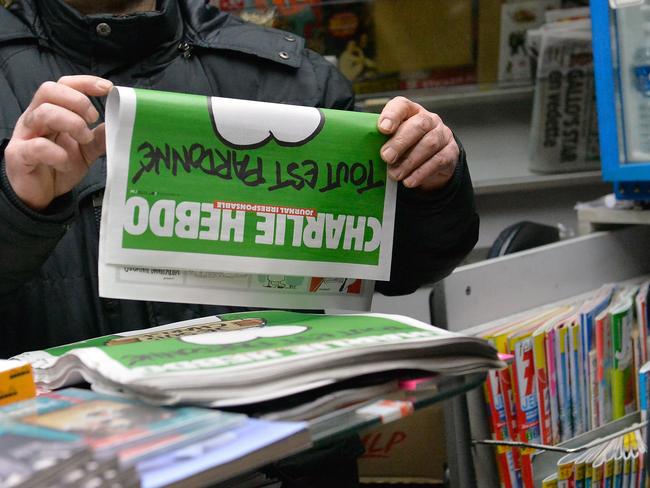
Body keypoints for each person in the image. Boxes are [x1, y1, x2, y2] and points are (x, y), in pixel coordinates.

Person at [0, 0, 478, 359]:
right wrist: (18, 209)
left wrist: (432, 183)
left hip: (282, 455)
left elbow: (404, 269)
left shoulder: (288, 77)